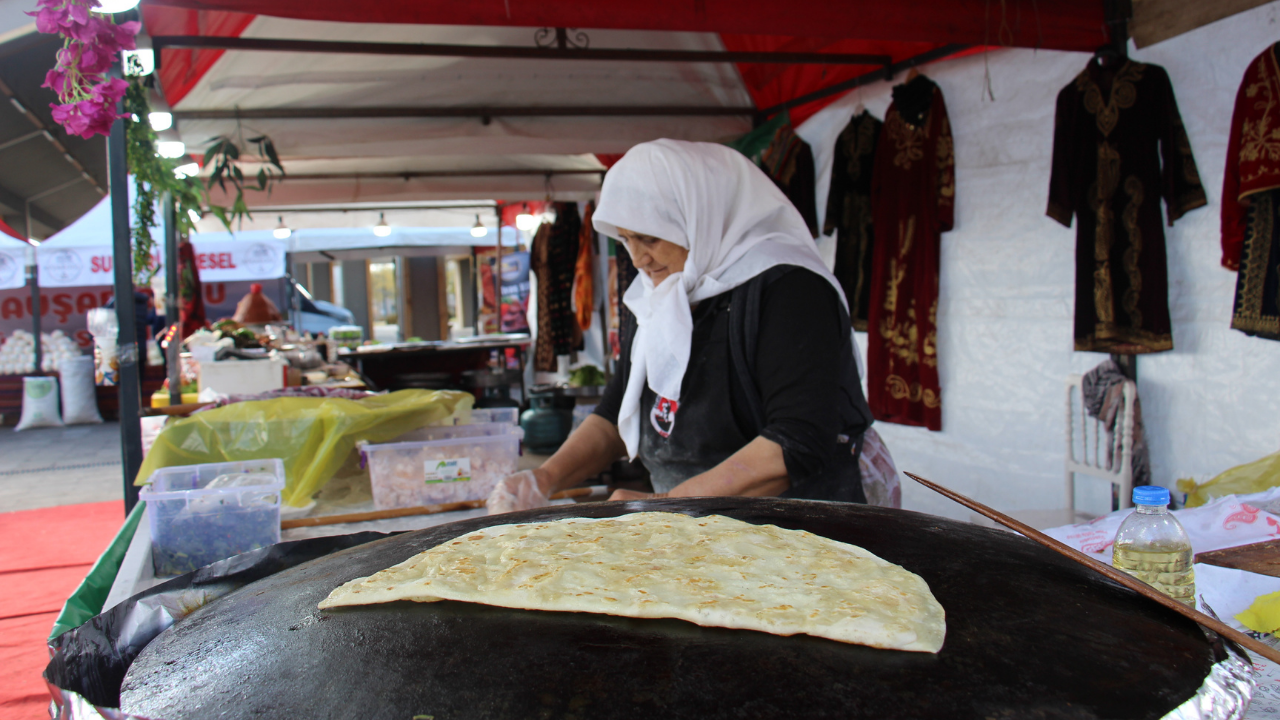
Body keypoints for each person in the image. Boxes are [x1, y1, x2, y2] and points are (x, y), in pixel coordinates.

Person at [488, 139, 873, 513]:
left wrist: (667, 506)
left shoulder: (789, 289)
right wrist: (542, 478)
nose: (638, 259)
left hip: (798, 534)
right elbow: (614, 412)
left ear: (698, 216)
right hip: (697, 526)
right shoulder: (660, 295)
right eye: (626, 240)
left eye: (649, 238)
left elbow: (797, 440)